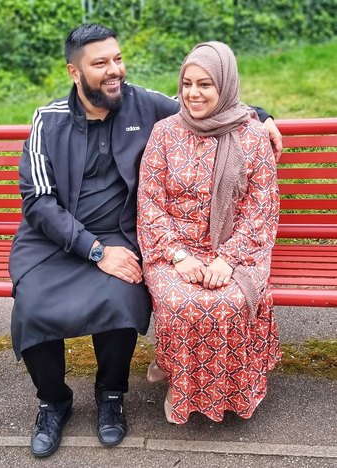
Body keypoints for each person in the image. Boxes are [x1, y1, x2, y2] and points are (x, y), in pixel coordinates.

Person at [9, 23, 282, 458]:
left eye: (117, 59)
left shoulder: (141, 103)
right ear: (74, 72)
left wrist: (262, 116)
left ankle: (111, 396)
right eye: (100, 64)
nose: (114, 70)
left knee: (122, 296)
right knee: (33, 305)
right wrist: (93, 250)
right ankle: (53, 401)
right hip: (54, 241)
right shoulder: (48, 120)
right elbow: (38, 202)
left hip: (120, 235)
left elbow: (206, 99)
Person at [137, 41, 281, 425]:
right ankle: (183, 383)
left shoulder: (252, 137)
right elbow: (150, 202)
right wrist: (178, 256)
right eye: (187, 83)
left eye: (205, 85)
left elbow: (260, 209)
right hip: (173, 250)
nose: (193, 93)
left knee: (230, 300)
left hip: (236, 248)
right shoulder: (165, 133)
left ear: (226, 87)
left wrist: (227, 260)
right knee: (184, 302)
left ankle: (225, 389)